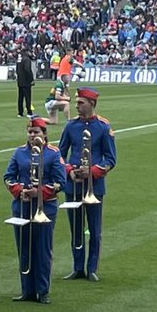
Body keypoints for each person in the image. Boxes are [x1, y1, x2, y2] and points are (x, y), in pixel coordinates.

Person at [4, 117, 66, 304]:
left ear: (44, 134)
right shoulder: (19, 152)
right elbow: (8, 177)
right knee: (24, 248)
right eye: (30, 132)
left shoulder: (54, 154)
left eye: (36, 132)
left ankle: (42, 290)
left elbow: (60, 182)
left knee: (42, 249)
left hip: (45, 208)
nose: (32, 136)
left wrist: (39, 192)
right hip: (22, 206)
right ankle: (27, 290)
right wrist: (20, 191)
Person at [57, 86, 116, 281]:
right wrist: (70, 171)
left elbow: (110, 159)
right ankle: (77, 267)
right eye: (76, 103)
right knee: (76, 229)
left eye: (81, 103)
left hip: (94, 186)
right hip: (73, 184)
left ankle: (91, 268)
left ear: (92, 103)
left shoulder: (103, 127)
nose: (77, 106)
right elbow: (60, 155)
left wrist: (92, 172)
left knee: (95, 230)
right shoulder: (71, 126)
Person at [15, 47, 35, 117]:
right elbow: (27, 70)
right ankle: (29, 112)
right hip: (26, 81)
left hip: (20, 81)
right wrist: (31, 79)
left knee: (20, 97)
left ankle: (20, 112)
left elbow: (17, 70)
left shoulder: (19, 60)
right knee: (27, 97)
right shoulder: (27, 59)